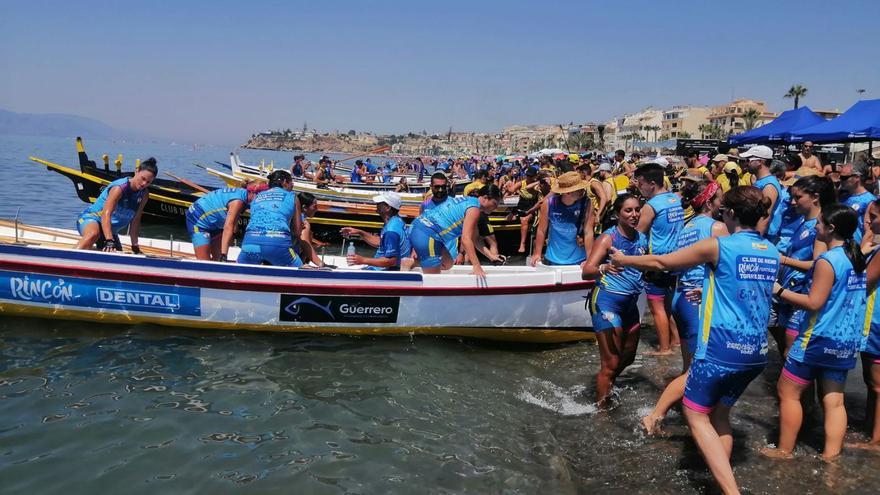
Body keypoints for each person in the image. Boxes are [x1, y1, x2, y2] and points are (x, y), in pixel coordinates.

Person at [611, 186, 780, 495]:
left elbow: (664, 263)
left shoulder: (719, 246)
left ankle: (731, 492)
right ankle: (719, 480)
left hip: (722, 348)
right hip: (757, 351)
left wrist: (625, 259)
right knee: (719, 415)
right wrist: (708, 292)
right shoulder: (770, 250)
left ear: (729, 213)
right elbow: (750, 290)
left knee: (694, 412)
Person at [762, 205, 867, 461]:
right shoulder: (855, 257)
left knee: (787, 392)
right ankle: (831, 457)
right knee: (834, 400)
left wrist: (778, 290)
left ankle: (784, 450)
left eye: (819, 224)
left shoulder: (827, 261)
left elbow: (813, 302)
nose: (815, 228)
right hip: (845, 339)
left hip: (817, 338)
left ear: (831, 229)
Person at [641, 180, 728, 434]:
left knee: (690, 363)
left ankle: (688, 409)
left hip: (681, 297)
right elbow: (727, 268)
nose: (723, 202)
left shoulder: (687, 227)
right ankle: (659, 415)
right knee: (700, 365)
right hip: (698, 300)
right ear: (710, 202)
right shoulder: (717, 228)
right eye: (719, 198)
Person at [581, 194, 647, 406]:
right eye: (628, 210)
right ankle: (602, 414)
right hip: (607, 302)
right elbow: (587, 271)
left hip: (630, 304)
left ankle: (604, 383)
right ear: (618, 214)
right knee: (611, 363)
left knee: (628, 357)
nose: (634, 215)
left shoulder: (642, 239)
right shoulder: (608, 238)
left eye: (637, 209)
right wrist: (605, 267)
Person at [773, 176, 836, 354]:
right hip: (788, 291)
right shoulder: (803, 222)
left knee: (792, 353)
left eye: (798, 197)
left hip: (802, 293)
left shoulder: (820, 227)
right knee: (784, 349)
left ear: (815, 197)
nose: (793, 202)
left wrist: (783, 260)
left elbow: (820, 265)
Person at [633, 162, 684, 355]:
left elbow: (639, 233)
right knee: (669, 306)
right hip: (675, 260)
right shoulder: (674, 199)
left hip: (656, 262)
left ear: (651, 184)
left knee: (657, 308)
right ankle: (676, 341)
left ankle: (664, 348)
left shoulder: (651, 206)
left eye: (641, 184)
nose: (639, 187)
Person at [409, 185, 502, 278]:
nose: (496, 207)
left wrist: (491, 256)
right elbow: (466, 239)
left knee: (447, 263)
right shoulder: (474, 209)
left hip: (423, 230)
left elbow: (475, 239)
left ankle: (412, 263)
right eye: (495, 203)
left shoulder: (471, 202)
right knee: (433, 280)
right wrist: (477, 266)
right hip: (427, 233)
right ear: (485, 198)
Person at [76, 158, 157, 252]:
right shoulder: (119, 188)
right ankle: (70, 258)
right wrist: (109, 240)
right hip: (91, 219)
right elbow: (106, 214)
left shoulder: (144, 194)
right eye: (143, 178)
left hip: (109, 229)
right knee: (93, 234)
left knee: (117, 253)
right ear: (137, 171)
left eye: (148, 182)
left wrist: (134, 244)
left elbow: (136, 220)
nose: (144, 184)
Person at [852, 198, 880, 451]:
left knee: (877, 383)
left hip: (877, 322)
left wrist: (862, 248)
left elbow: (864, 281)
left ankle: (876, 440)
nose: (869, 221)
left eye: (873, 216)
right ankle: (870, 425)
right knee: (872, 383)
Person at [185, 182, 267, 261]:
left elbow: (235, 218)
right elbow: (228, 227)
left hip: (215, 223)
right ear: (252, 192)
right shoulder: (237, 202)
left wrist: (235, 232)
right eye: (261, 196)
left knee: (218, 260)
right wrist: (224, 255)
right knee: (204, 263)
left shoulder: (245, 196)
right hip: (198, 219)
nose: (263, 200)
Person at [237, 170, 303, 267]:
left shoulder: (257, 196)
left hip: (249, 244)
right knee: (299, 272)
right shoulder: (293, 196)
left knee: (240, 269)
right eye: (291, 182)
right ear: (284, 182)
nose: (292, 185)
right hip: (278, 245)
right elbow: (297, 232)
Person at [531, 172, 592, 266]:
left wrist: (589, 258)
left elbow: (588, 232)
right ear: (568, 192)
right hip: (554, 257)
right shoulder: (549, 203)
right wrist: (537, 253)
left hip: (579, 258)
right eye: (579, 189)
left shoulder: (587, 203)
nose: (583, 191)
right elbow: (541, 230)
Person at [341, 192, 412, 271]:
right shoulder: (397, 220)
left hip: (384, 272)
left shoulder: (391, 230)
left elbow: (391, 261)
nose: (376, 205)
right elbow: (382, 242)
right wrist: (360, 232)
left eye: (379, 203)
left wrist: (363, 260)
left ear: (387, 208)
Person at [744, 145, 786, 242]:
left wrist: (756, 240)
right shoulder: (762, 182)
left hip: (764, 236)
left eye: (748, 160)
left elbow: (765, 215)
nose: (746, 163)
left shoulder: (769, 185)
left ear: (760, 162)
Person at [507, 167, 543, 253]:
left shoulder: (537, 185)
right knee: (509, 219)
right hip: (521, 205)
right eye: (527, 176)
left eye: (530, 176)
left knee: (524, 220)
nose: (528, 178)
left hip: (532, 206)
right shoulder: (522, 183)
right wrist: (509, 187)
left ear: (535, 176)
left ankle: (522, 243)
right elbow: (511, 190)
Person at [839, 163, 876, 243]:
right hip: (838, 248)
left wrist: (860, 253)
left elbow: (869, 233)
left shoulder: (870, 201)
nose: (840, 179)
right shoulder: (842, 196)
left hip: (854, 248)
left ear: (857, 177)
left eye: (844, 177)